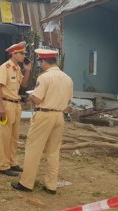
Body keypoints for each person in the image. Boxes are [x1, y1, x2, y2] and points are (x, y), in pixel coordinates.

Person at [12, 48, 73, 194]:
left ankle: (26, 183)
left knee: (33, 149)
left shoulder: (44, 78)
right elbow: (68, 103)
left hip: (44, 115)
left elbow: (38, 98)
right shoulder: (67, 78)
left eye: (41, 62)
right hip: (59, 115)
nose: (41, 65)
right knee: (53, 151)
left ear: (44, 61)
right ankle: (51, 185)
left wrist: (31, 96)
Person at [0, 41, 32, 176]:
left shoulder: (17, 69)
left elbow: (24, 85)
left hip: (16, 104)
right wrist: (1, 106)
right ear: (13, 54)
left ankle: (12, 161)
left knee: (14, 136)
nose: (23, 56)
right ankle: (3, 165)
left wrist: (27, 71)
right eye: (21, 53)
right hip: (7, 104)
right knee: (5, 136)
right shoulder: (4, 67)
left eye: (24, 53)